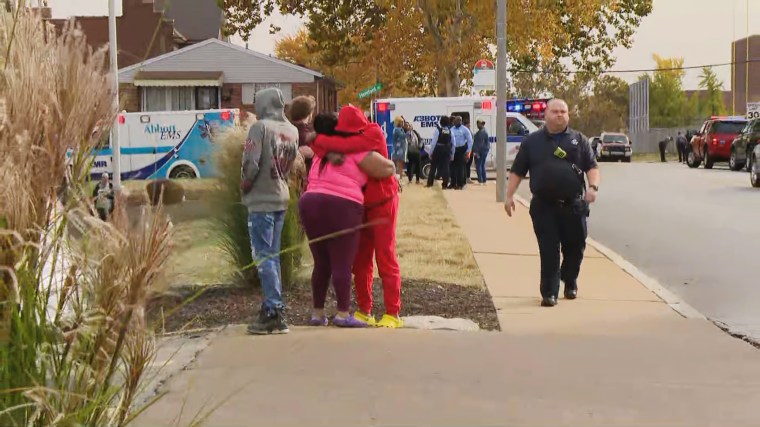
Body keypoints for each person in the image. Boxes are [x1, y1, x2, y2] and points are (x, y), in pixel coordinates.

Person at [311, 105, 404, 328]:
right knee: (361, 261)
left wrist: (319, 141)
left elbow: (339, 147)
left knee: (385, 257)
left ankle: (393, 312)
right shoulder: (349, 138)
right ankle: (365, 309)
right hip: (360, 206)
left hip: (383, 203)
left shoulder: (372, 133)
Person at [504, 99, 600, 307]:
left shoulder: (579, 140)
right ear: (545, 115)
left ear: (568, 115)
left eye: (563, 111)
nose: (559, 115)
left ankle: (570, 279)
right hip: (544, 206)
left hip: (574, 204)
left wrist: (593, 188)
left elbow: (592, 167)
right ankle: (549, 292)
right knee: (548, 249)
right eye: (555, 111)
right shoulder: (532, 142)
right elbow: (518, 170)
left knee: (576, 246)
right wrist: (509, 195)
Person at [241, 87, 299, 335]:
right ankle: (270, 306)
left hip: (261, 199)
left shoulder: (259, 127)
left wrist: (244, 187)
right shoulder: (292, 130)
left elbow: (250, 164)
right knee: (272, 255)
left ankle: (273, 312)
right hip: (281, 196)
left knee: (263, 257)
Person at [426, 115, 456, 189]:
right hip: (447, 149)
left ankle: (430, 183)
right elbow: (454, 144)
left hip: (438, 149)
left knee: (433, 167)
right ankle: (445, 185)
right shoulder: (450, 131)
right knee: (446, 167)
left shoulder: (438, 130)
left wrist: (430, 153)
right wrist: (452, 154)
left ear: (441, 122)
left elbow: (433, 143)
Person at [450, 115, 473, 189]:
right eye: (456, 120)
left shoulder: (465, 129)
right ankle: (453, 183)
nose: (457, 122)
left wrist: (468, 151)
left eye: (459, 120)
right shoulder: (451, 129)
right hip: (454, 150)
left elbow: (470, 141)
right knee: (453, 167)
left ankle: (460, 184)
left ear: (461, 121)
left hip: (462, 150)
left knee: (461, 168)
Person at [472, 119, 490, 185]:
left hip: (480, 151)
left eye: (479, 123)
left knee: (478, 165)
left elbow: (479, 144)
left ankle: (480, 180)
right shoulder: (483, 131)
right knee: (482, 165)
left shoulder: (481, 133)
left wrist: (476, 152)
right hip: (484, 150)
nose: (478, 125)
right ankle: (484, 180)